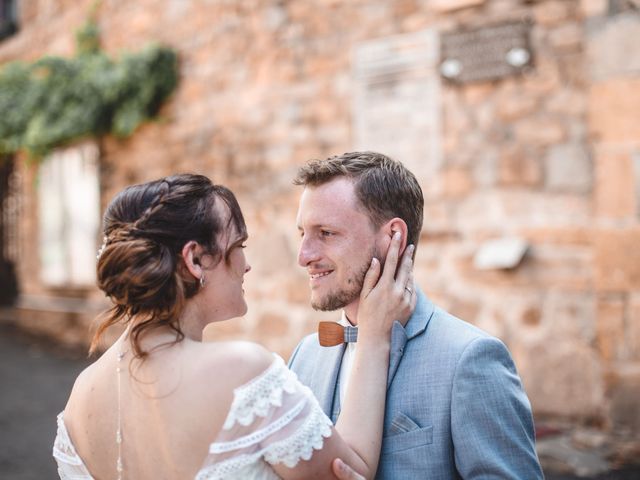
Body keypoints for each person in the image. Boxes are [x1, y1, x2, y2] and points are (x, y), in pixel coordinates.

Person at [52, 173, 416, 479]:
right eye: (239, 244)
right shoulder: (242, 372)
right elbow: (353, 469)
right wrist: (373, 334)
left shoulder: (80, 399)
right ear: (195, 259)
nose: (246, 265)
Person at [289, 151, 544, 479]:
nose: (303, 256)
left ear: (393, 236)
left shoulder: (469, 360)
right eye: (302, 234)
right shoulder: (304, 357)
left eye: (325, 233)